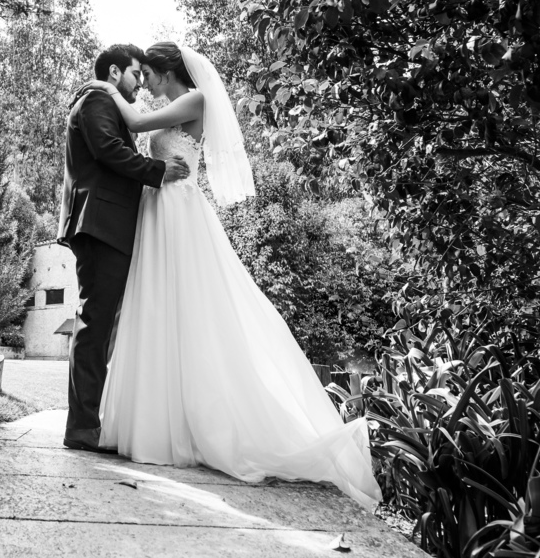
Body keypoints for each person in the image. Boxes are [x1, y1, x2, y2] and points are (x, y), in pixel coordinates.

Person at [80, 41, 382, 510]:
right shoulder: (177, 103)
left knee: (189, 307)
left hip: (178, 210)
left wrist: (101, 86)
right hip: (159, 207)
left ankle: (191, 426)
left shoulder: (194, 99)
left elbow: (138, 125)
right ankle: (152, 421)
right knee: (157, 309)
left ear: (166, 72)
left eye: (150, 76)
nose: (147, 85)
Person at [57, 44, 191, 453]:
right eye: (136, 74)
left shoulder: (104, 100)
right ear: (115, 72)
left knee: (103, 324)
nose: (140, 84)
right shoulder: (97, 97)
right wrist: (158, 171)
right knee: (95, 322)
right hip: (100, 226)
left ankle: (90, 423)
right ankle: (81, 428)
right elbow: (108, 151)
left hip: (108, 225)